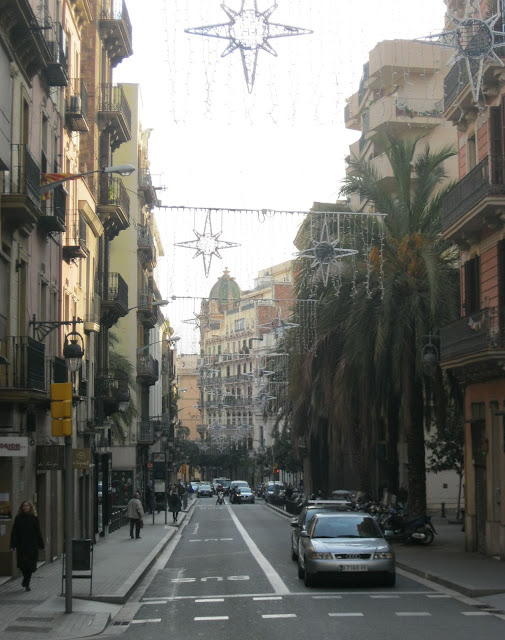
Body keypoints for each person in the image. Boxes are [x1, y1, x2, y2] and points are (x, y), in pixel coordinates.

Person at [10, 500, 44, 592]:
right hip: (21, 546)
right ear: (22, 508)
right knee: (23, 565)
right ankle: (25, 579)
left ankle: (27, 583)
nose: (25, 507)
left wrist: (41, 545)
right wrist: (13, 544)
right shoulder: (18, 518)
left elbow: (38, 532)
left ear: (30, 507)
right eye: (24, 506)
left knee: (30, 565)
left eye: (27, 505)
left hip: (32, 546)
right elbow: (14, 532)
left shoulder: (34, 518)